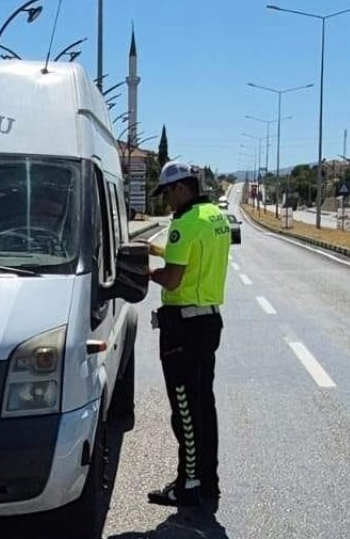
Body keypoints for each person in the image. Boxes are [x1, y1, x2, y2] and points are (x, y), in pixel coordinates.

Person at [145, 161, 232, 511]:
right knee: (203, 407)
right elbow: (192, 258)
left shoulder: (184, 223)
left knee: (184, 411)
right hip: (208, 322)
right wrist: (157, 251)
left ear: (181, 188)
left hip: (184, 327)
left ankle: (188, 485)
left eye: (167, 192)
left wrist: (145, 271)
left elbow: (173, 279)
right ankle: (207, 482)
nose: (166, 200)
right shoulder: (214, 216)